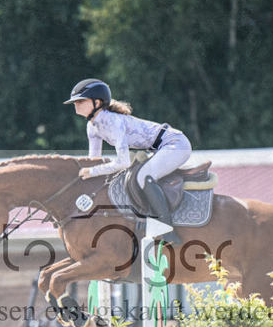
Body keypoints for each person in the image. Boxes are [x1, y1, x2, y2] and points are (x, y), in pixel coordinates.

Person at [65, 78, 190, 246]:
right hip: (159, 148)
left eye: (81, 100)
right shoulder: (92, 126)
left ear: (97, 102)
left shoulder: (112, 121)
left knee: (142, 177)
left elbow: (122, 162)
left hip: (176, 144)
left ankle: (167, 230)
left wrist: (93, 172)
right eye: (75, 101)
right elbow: (93, 160)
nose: (76, 104)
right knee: (133, 177)